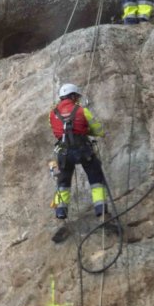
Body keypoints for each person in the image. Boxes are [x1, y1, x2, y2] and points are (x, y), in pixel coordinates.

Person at [49, 83, 108, 242]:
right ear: (74, 96)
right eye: (77, 97)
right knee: (96, 177)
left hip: (63, 152)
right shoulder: (82, 110)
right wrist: (85, 130)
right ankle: (100, 209)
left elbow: (56, 132)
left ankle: (61, 212)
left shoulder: (53, 114)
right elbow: (99, 130)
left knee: (63, 181)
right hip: (83, 149)